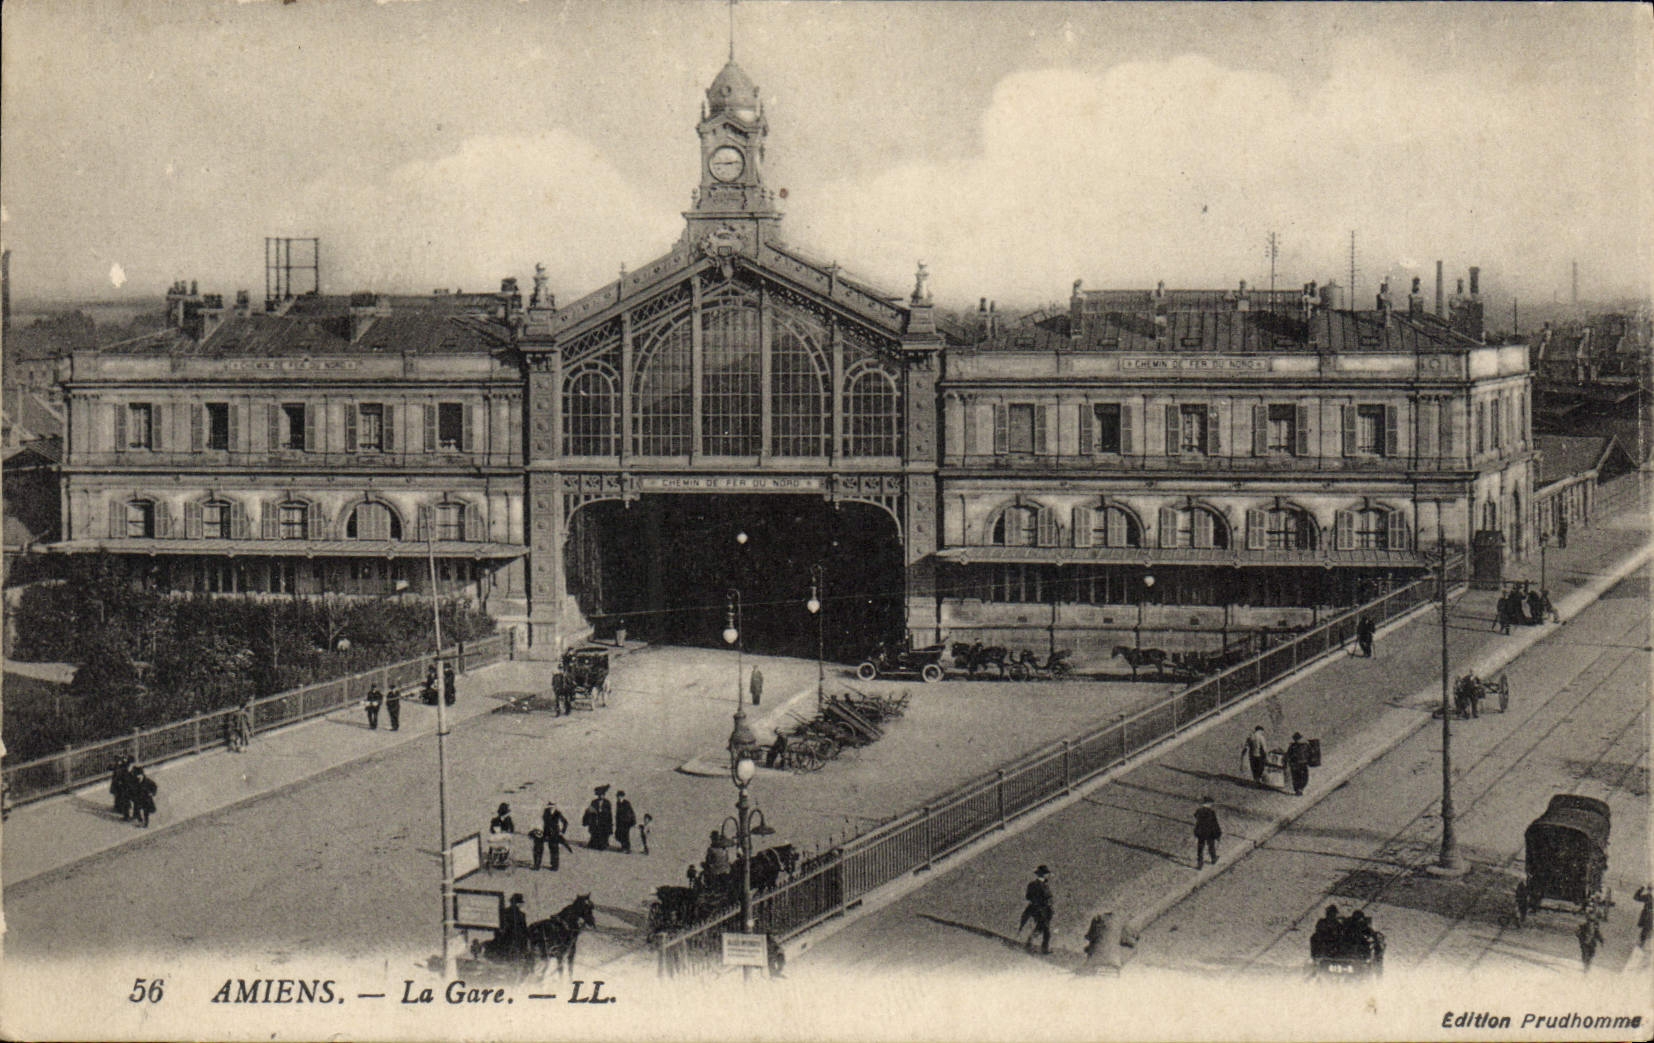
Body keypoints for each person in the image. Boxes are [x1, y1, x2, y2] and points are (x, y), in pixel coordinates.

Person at [1080, 910, 1138, 975]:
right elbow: (1129, 942)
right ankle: (1115, 966)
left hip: (1094, 959)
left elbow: (1089, 936)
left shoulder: (1096, 919)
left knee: (1091, 948)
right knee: (1134, 950)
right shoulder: (1120, 922)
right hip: (1113, 961)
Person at [1019, 865, 1054, 955]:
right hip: (1038, 909)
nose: (1048, 875)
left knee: (1042, 928)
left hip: (1046, 910)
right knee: (1045, 929)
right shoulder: (1033, 884)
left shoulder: (1045, 885)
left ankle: (1030, 944)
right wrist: (1038, 903)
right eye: (1046, 873)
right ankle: (1041, 948)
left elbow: (1049, 898)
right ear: (1042, 874)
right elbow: (1028, 896)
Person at [535, 799, 571, 871]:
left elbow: (565, 822)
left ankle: (554, 866)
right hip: (546, 832)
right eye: (550, 806)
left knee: (554, 849)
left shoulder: (558, 813)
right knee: (539, 847)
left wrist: (562, 831)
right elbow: (542, 820)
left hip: (555, 833)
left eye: (552, 806)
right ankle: (537, 865)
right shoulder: (546, 811)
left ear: (555, 806)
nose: (551, 807)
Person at [1193, 796, 1221, 869]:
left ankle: (1200, 863)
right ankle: (1213, 858)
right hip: (1209, 832)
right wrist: (1218, 834)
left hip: (1201, 831)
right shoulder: (1211, 812)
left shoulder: (1199, 811)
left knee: (1200, 847)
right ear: (1209, 804)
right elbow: (1215, 823)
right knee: (1211, 845)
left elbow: (1195, 816)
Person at [110, 755, 136, 820]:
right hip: (123, 787)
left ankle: (127, 815)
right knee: (121, 799)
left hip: (126, 788)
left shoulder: (126, 769)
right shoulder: (124, 768)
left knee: (126, 801)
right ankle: (121, 810)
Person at [1634, 885, 1652, 950]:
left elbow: (1636, 897)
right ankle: (1643, 944)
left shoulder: (1648, 897)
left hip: (1648, 916)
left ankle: (1642, 945)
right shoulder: (1648, 897)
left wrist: (1641, 888)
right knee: (1647, 931)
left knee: (1645, 931)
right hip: (1649, 916)